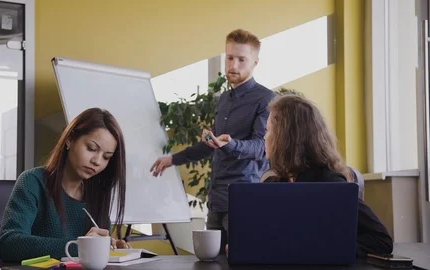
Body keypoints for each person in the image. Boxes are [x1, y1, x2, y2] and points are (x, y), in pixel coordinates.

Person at [150, 29, 276, 252]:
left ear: (255, 62)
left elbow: (261, 148)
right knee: (211, 261)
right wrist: (173, 160)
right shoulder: (224, 100)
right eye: (229, 57)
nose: (233, 65)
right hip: (216, 198)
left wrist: (230, 144)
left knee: (243, 261)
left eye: (241, 59)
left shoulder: (266, 99)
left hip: (243, 200)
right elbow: (212, 146)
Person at [262, 94, 393, 257]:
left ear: (285, 137)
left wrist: (324, 249)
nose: (264, 137)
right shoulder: (274, 184)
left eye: (268, 130)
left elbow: (381, 240)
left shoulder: (330, 183)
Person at [0, 108, 131, 262]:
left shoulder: (96, 195)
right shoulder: (32, 182)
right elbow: (8, 244)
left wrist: (108, 247)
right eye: (91, 148)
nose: (97, 161)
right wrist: (80, 246)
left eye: (107, 157)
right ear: (69, 139)